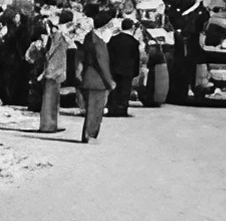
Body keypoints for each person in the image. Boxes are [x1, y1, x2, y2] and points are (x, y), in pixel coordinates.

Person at [27, 11, 73, 133]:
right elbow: (50, 55)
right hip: (53, 72)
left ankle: (50, 125)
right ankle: (48, 126)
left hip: (54, 72)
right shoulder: (57, 37)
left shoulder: (58, 37)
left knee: (52, 100)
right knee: (50, 100)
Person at [78, 10, 117, 143]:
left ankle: (88, 134)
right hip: (97, 80)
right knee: (96, 110)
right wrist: (110, 81)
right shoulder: (98, 42)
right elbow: (102, 64)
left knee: (93, 109)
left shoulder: (90, 37)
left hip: (90, 77)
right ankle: (90, 135)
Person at [106, 17, 142, 117]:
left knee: (114, 90)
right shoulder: (134, 42)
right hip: (128, 70)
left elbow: (109, 55)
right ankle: (122, 109)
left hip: (114, 69)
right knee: (125, 90)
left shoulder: (113, 40)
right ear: (131, 28)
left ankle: (112, 108)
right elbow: (136, 58)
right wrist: (136, 72)